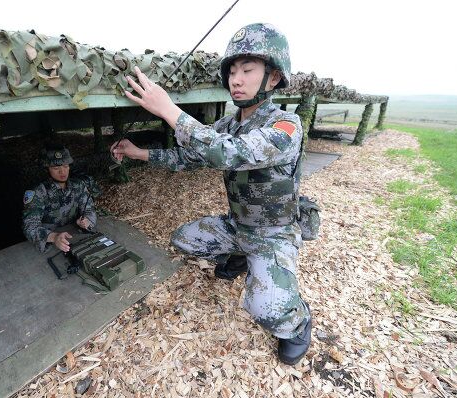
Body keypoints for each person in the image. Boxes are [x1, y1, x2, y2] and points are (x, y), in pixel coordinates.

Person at [111, 23, 312, 365]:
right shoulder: (229, 124)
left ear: (274, 78)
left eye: (248, 70)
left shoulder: (285, 127)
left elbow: (227, 152)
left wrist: (169, 109)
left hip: (273, 233)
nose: (236, 79)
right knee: (183, 239)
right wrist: (139, 153)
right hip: (239, 226)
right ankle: (240, 254)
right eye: (232, 71)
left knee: (267, 310)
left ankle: (297, 322)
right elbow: (191, 156)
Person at [22, 143, 97, 253]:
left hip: (74, 236)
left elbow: (89, 209)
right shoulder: (37, 192)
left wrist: (87, 221)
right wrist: (53, 237)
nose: (63, 172)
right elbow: (29, 226)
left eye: (66, 166)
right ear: (46, 169)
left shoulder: (78, 185)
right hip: (48, 241)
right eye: (56, 168)